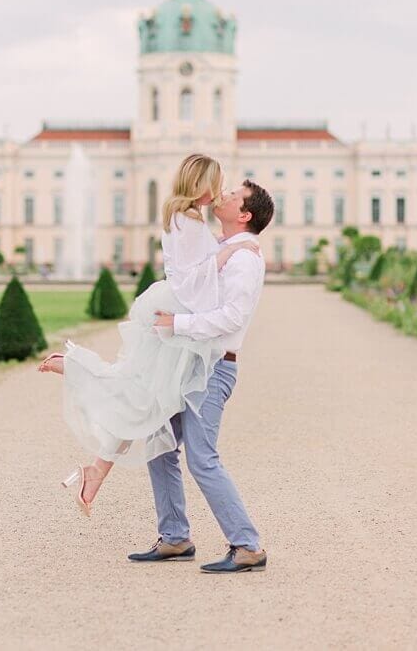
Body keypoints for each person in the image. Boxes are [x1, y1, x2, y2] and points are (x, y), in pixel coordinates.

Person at [38, 154, 259, 514]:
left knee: (144, 402)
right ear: (201, 184)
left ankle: (95, 473)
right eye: (218, 184)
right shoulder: (187, 219)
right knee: (140, 397)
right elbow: (193, 277)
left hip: (176, 308)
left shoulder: (185, 217)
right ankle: (76, 367)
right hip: (177, 311)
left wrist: (223, 244)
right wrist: (231, 249)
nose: (221, 192)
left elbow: (195, 260)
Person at [133, 178, 273, 574]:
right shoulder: (225, 248)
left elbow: (232, 316)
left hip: (214, 368)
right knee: (159, 444)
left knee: (202, 457)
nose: (223, 195)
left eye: (232, 196)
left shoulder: (244, 258)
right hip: (193, 363)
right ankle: (175, 537)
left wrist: (175, 323)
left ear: (244, 214)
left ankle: (247, 545)